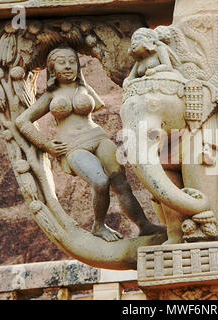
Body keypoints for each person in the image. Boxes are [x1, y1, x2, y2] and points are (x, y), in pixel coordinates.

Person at [16, 46, 165, 241]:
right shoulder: (50, 96)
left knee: (122, 184)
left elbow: (106, 100)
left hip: (98, 137)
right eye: (62, 62)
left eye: (72, 62)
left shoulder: (84, 88)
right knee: (100, 181)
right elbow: (22, 121)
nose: (68, 66)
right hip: (72, 146)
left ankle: (143, 225)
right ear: (52, 69)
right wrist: (45, 145)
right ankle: (99, 225)